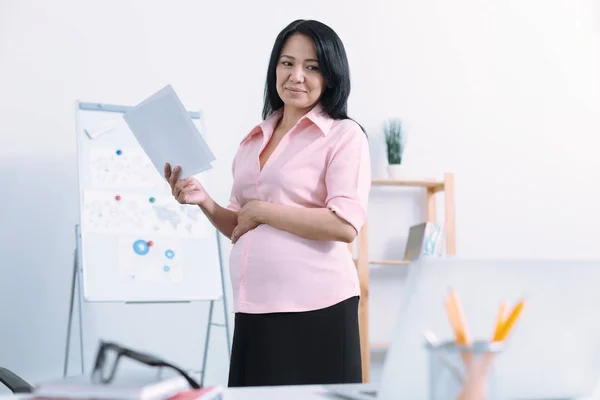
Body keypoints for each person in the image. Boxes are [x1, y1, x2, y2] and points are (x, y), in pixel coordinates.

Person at [164, 19, 371, 387]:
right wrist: (204, 202)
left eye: (312, 67)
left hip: (317, 309)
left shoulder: (344, 135)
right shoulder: (253, 139)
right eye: (287, 63)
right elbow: (240, 225)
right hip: (254, 306)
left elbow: (344, 225)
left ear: (331, 76)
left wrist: (264, 211)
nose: (296, 76)